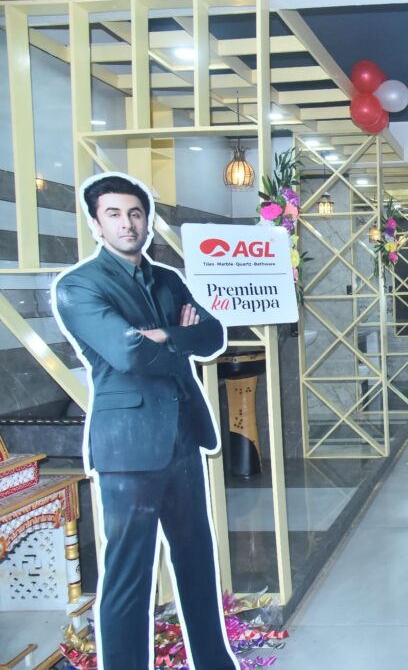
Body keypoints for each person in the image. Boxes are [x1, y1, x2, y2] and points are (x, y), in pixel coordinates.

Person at [52, 173, 238, 670]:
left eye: (135, 213)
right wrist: (175, 335)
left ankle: (214, 662)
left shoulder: (167, 279)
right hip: (128, 447)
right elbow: (127, 353)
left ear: (147, 220)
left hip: (183, 435)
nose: (127, 223)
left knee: (196, 558)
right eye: (114, 214)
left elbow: (213, 335)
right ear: (97, 224)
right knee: (129, 573)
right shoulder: (79, 285)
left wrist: (162, 335)